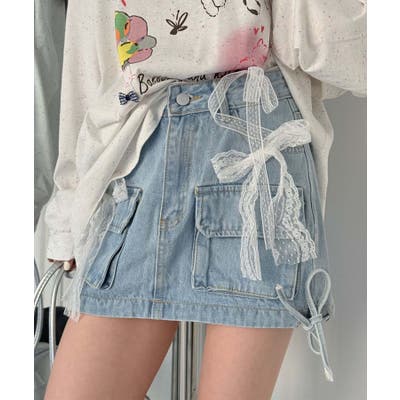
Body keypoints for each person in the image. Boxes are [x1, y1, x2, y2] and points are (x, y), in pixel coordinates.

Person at [43, 1, 366, 399]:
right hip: (153, 150)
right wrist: (68, 206)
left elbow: (86, 49)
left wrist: (67, 208)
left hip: (247, 152)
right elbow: (324, 38)